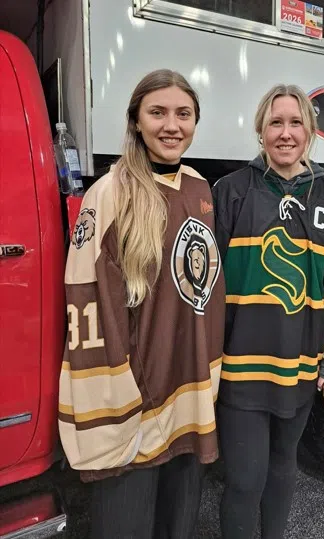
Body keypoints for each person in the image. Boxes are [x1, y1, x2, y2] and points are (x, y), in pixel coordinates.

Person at [58, 69, 225, 539]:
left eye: (183, 114)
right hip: (135, 405)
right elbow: (89, 301)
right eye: (157, 113)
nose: (172, 125)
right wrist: (117, 400)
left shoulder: (199, 187)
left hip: (189, 395)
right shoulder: (109, 194)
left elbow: (203, 291)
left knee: (178, 523)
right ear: (135, 120)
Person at [212, 84, 324, 539]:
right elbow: (206, 288)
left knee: (282, 468)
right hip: (239, 371)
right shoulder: (229, 192)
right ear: (260, 130)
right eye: (275, 122)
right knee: (244, 480)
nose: (285, 133)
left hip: (300, 368)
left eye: (296, 122)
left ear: (310, 132)